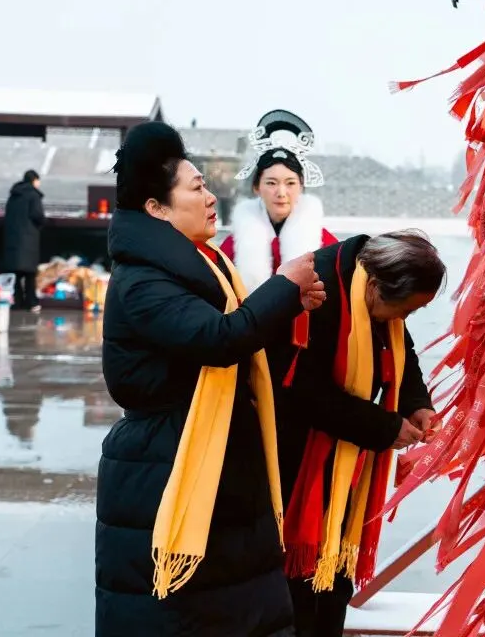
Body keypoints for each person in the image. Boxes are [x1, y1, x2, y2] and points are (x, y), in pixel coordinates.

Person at [95, 121, 326, 637]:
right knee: (180, 618)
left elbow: (244, 339)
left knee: (238, 610)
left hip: (221, 463)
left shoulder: (207, 264)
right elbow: (219, 338)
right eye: (196, 187)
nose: (210, 197)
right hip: (166, 465)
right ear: (157, 209)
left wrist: (290, 302)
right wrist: (283, 287)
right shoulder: (144, 279)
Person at [269, 229, 446, 637]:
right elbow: (303, 392)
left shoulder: (371, 283)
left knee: (334, 582)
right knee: (295, 588)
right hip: (292, 461)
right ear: (378, 288)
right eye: (405, 310)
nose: (404, 320)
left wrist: (416, 404)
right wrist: (384, 427)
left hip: (346, 462)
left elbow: (401, 351)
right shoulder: (317, 290)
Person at [220, 109, 337, 291]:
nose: (281, 193)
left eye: (290, 183)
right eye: (271, 183)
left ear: (301, 186)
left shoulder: (325, 244)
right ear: (256, 187)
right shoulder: (233, 246)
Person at [2, 169, 46, 312]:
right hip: (28, 239)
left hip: (13, 238)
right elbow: (38, 215)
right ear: (34, 180)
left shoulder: (13, 195)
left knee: (15, 274)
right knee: (30, 274)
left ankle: (17, 301)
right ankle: (31, 302)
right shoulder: (33, 196)